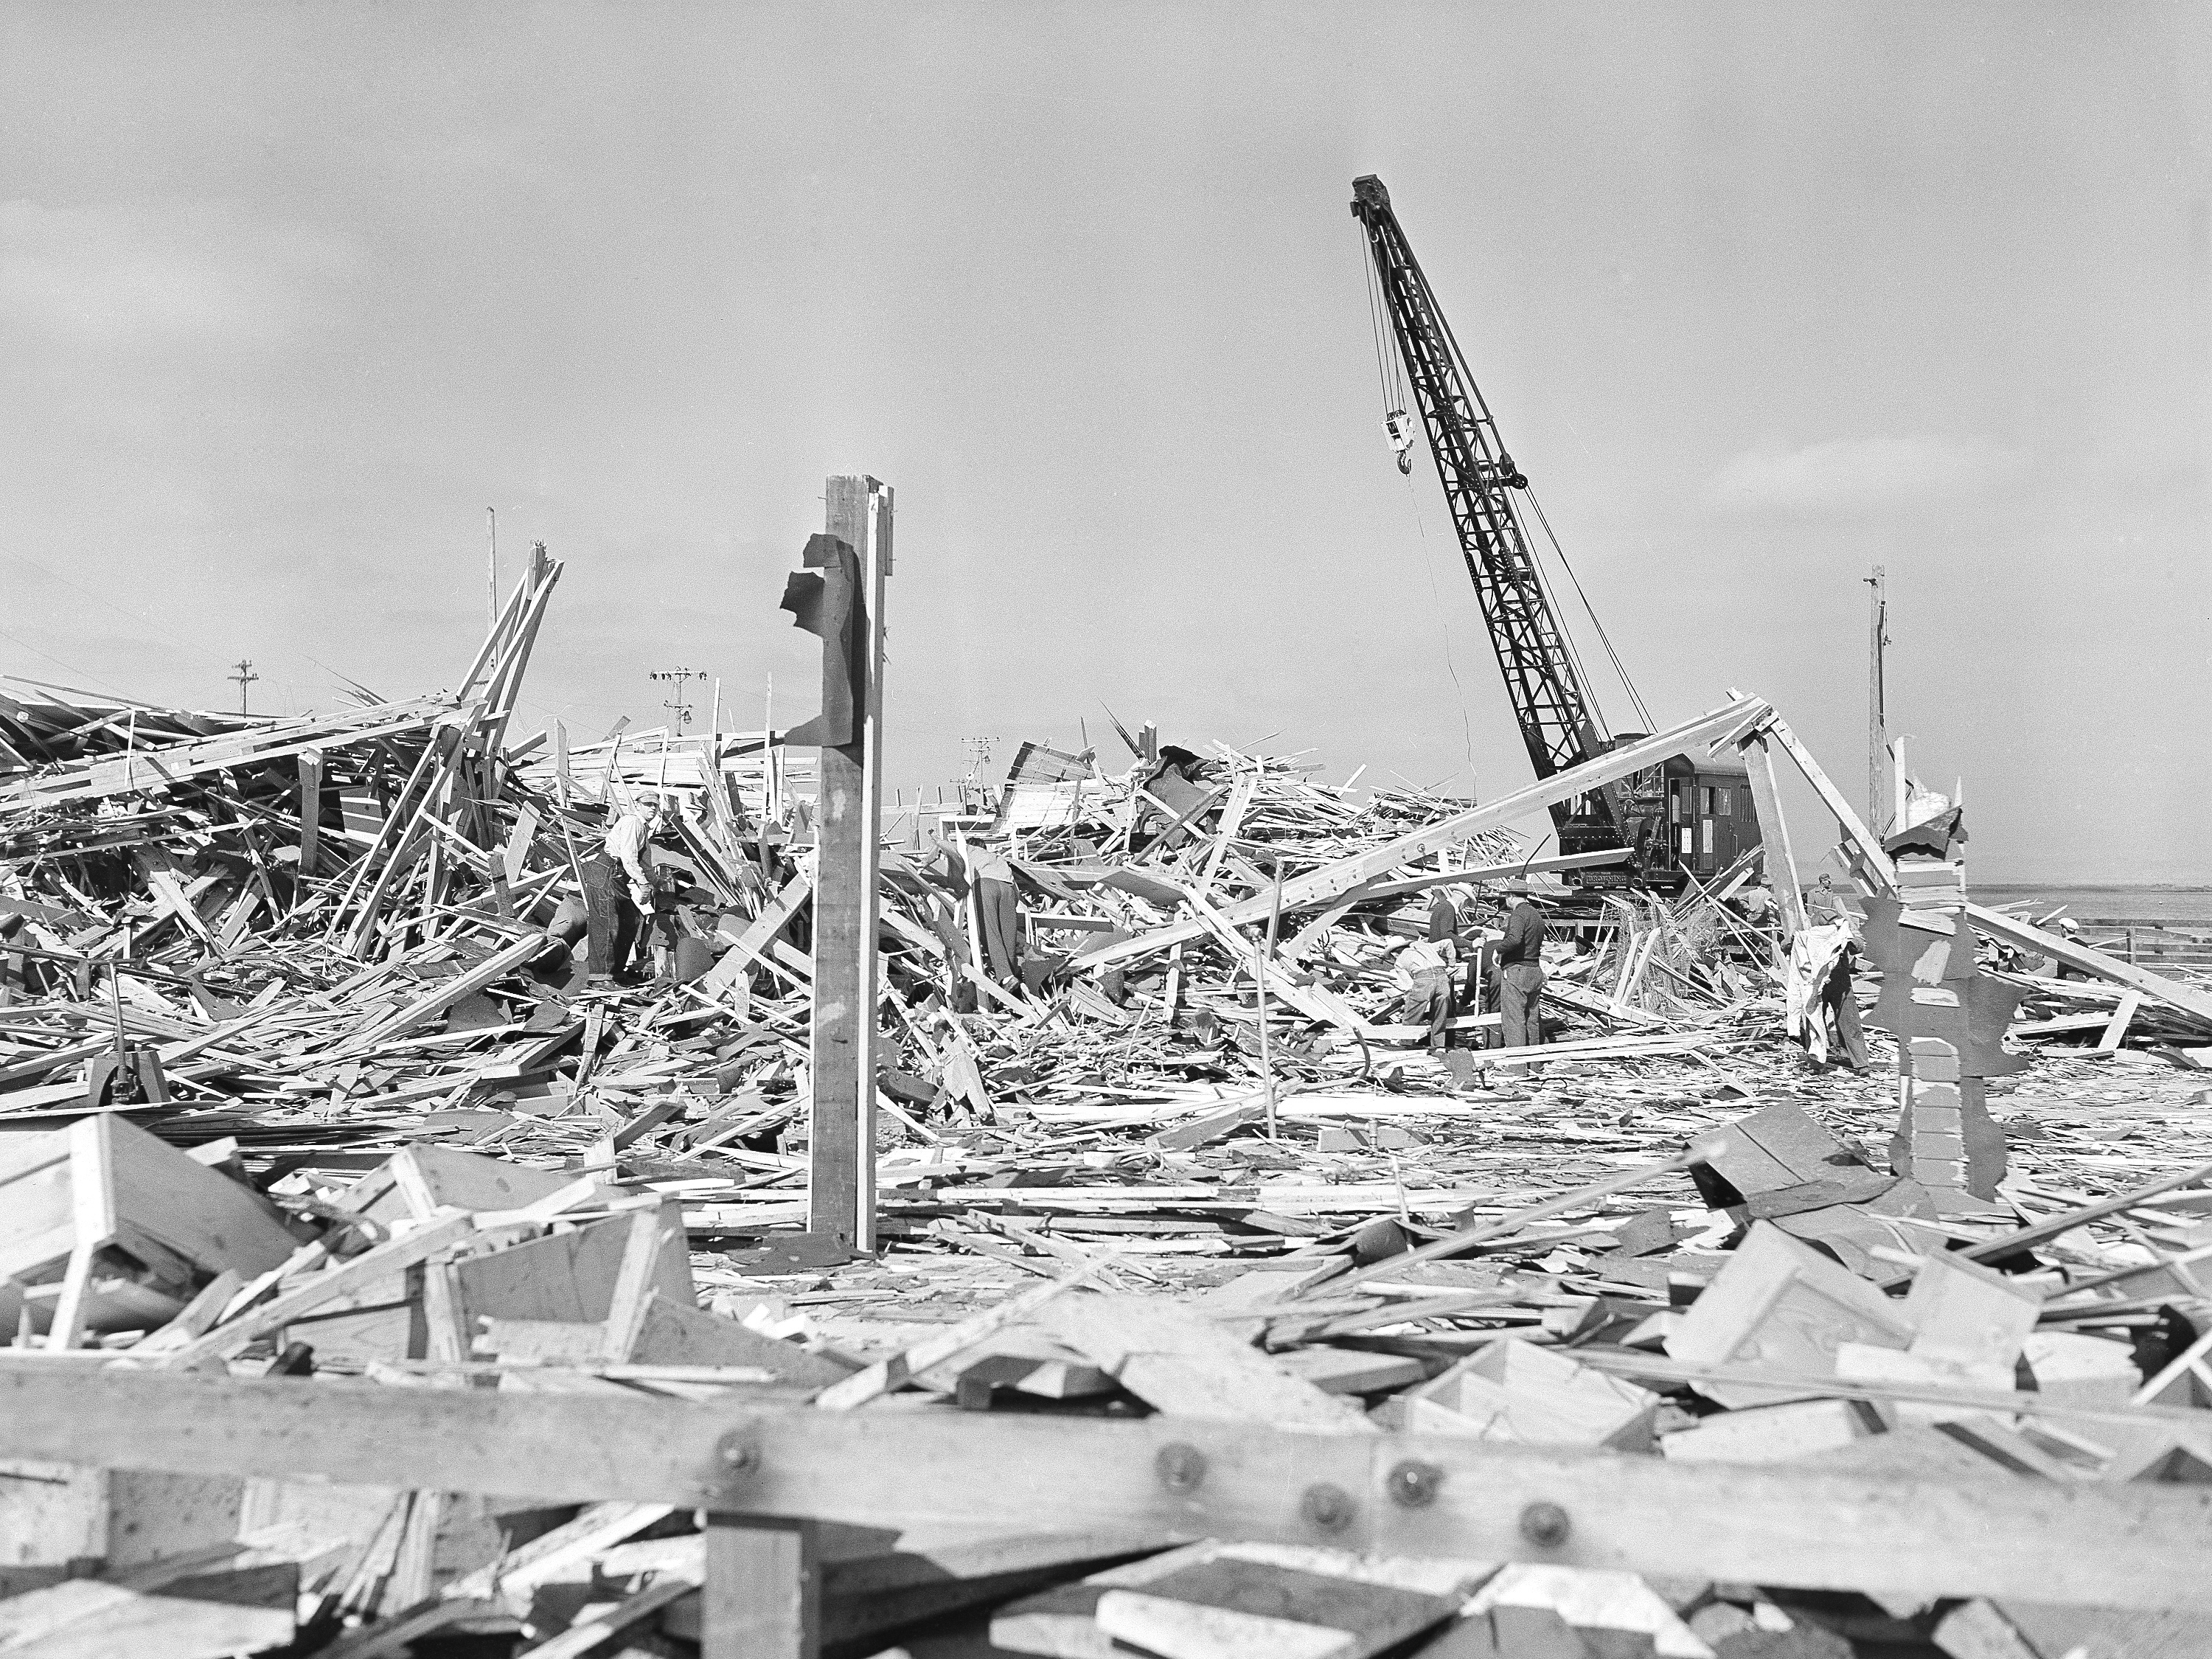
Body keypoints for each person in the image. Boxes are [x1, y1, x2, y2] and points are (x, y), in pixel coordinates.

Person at [581, 791, 664, 987]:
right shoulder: (632, 823)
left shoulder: (643, 829)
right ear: (638, 805)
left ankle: (616, 973)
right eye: (648, 804)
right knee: (607, 923)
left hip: (617, 877)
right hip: (606, 873)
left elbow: (645, 864)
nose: (652, 808)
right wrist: (643, 884)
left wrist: (657, 883)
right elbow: (629, 858)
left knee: (632, 920)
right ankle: (600, 978)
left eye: (655, 805)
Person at [1496, 882, 1548, 1057]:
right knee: (1532, 1019)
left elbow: (1514, 939)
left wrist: (1498, 950)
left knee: (1514, 1020)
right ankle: (1535, 1063)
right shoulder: (1535, 914)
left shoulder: (1518, 914)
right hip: (1534, 969)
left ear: (1511, 896)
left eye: (1506, 896)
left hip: (1517, 970)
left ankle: (1517, 1066)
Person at [1394, 933, 1458, 1050]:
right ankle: (1438, 1047)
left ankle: (1406, 1046)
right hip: (1442, 977)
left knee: (1411, 1016)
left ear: (1394, 952)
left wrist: (1412, 1000)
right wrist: (1452, 965)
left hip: (1423, 978)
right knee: (1440, 1015)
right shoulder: (1425, 946)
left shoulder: (1399, 961)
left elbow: (1409, 988)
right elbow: (1448, 942)